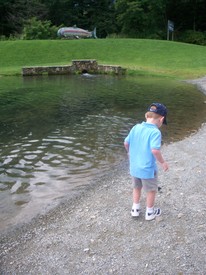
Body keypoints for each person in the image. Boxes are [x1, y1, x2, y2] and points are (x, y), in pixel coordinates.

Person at [124, 103, 169, 221]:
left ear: (146, 115)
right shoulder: (155, 132)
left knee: (136, 187)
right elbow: (155, 150)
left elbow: (126, 143)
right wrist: (163, 162)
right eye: (162, 123)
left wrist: (129, 153)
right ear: (161, 119)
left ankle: (135, 209)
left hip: (134, 166)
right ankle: (150, 212)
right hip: (147, 168)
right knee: (151, 190)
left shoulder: (136, 127)